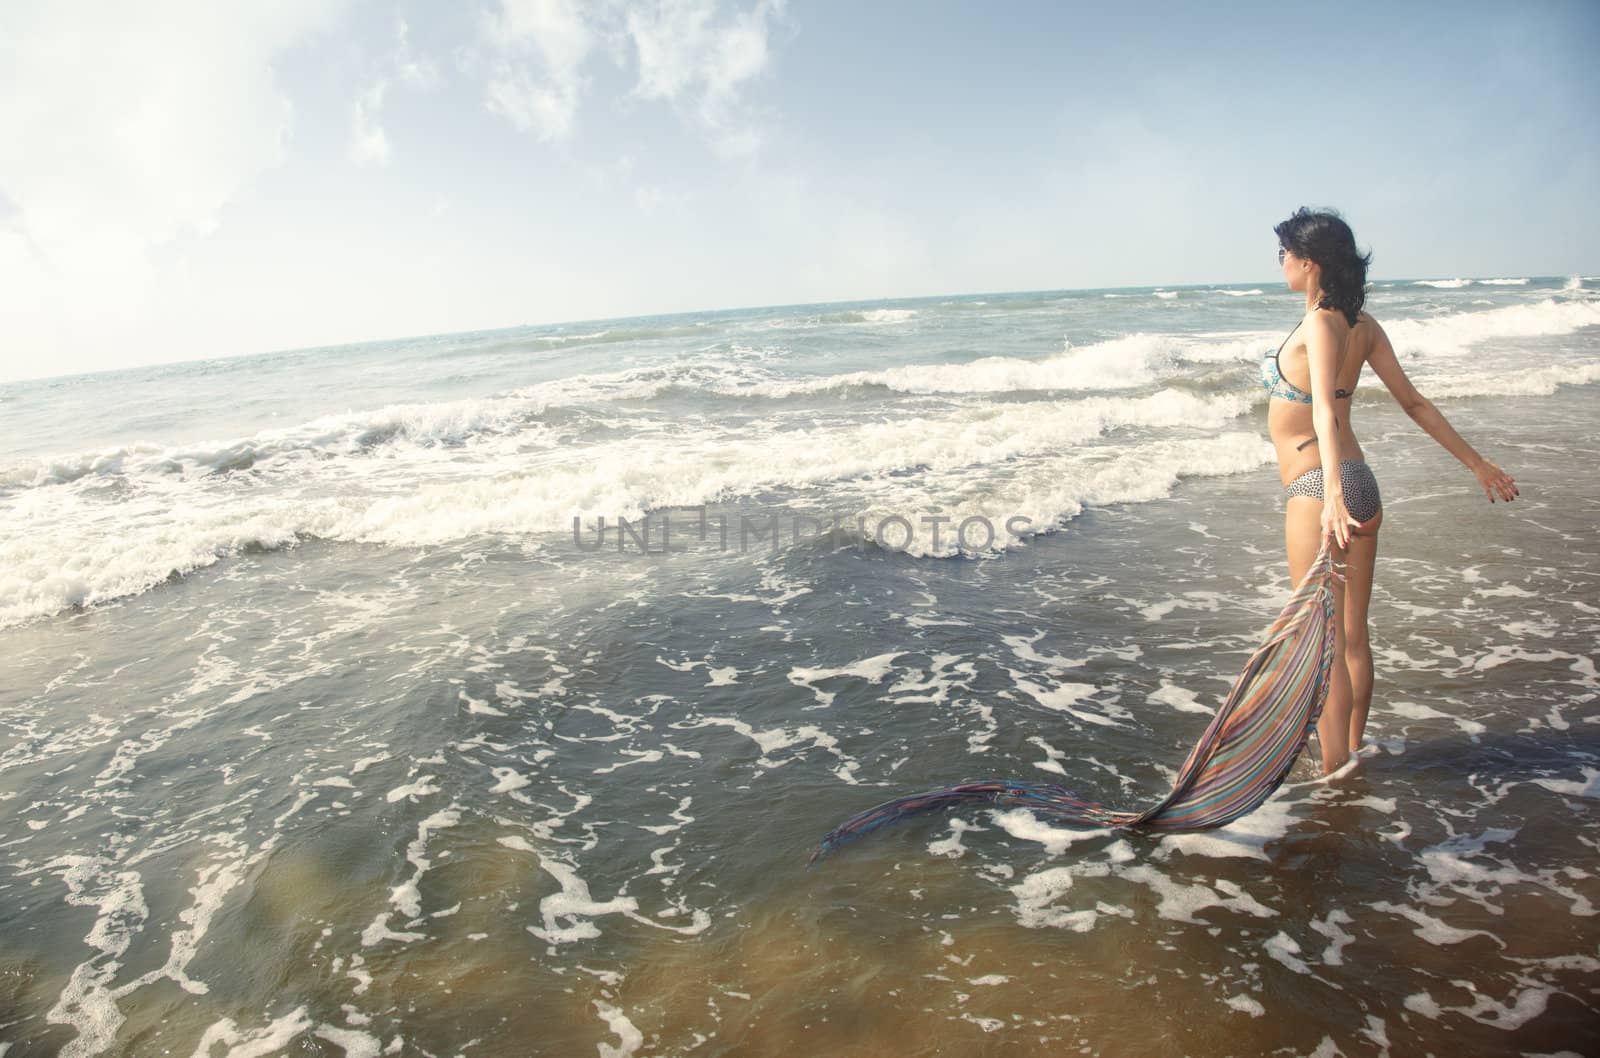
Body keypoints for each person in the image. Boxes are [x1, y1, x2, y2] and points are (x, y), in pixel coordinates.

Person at [1264, 208, 1517, 774]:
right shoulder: (1363, 324)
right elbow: (1415, 403)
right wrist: (1476, 463)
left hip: (1319, 485)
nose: (1280, 263)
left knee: (1319, 638)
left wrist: (1329, 492)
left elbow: (1326, 412)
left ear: (1310, 263)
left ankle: (1332, 770)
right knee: (1353, 633)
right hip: (1362, 484)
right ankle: (1351, 750)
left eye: (1284, 254)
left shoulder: (1321, 324)